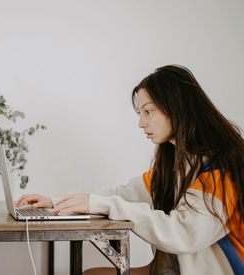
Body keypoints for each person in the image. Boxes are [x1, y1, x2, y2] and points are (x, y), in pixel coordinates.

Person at [16, 65, 244, 275]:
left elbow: (182, 234)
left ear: (176, 108)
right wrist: (56, 202)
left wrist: (105, 205)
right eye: (140, 113)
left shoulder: (221, 171)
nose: (141, 123)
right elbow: (122, 194)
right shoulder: (173, 165)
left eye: (148, 111)